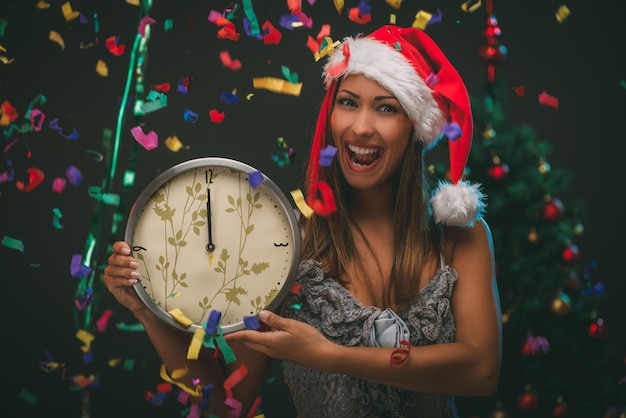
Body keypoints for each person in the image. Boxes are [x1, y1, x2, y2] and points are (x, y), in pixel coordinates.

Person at [104, 24, 502, 417]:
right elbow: (225, 401)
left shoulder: (460, 239)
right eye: (348, 102)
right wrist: (146, 309)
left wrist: (329, 356)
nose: (361, 126)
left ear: (415, 125)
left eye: (386, 108)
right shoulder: (283, 240)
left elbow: (481, 372)